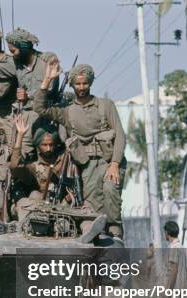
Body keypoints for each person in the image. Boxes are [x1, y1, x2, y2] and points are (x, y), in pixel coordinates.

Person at [36, 61, 126, 240]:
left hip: (109, 161)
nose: (82, 87)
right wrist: (47, 80)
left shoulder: (105, 105)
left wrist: (115, 163)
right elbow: (40, 108)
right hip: (87, 166)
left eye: (85, 83)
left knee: (110, 191)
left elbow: (120, 136)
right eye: (77, 84)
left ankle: (116, 234)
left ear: (90, 83)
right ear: (72, 85)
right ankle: (99, 237)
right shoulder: (67, 111)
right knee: (93, 203)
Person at [5, 28, 60, 159]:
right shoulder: (14, 63)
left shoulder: (47, 60)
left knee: (48, 152)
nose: (12, 54)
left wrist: (28, 95)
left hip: (46, 115)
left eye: (14, 50)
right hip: (25, 117)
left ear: (23, 47)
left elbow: (50, 86)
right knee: (21, 153)